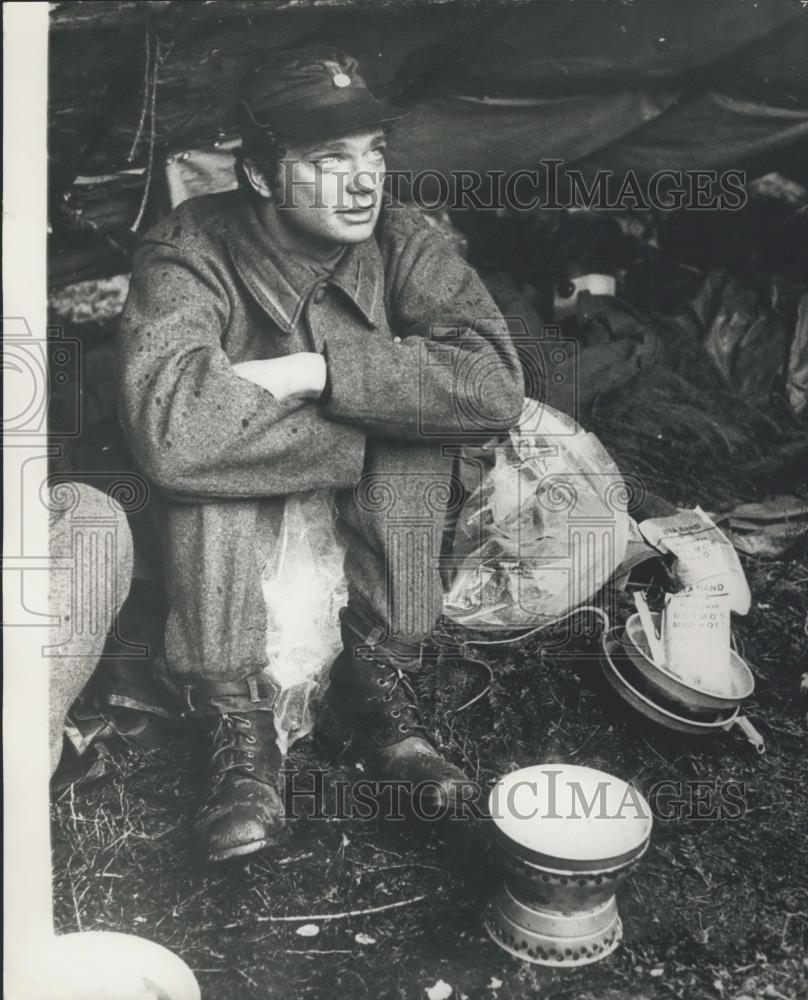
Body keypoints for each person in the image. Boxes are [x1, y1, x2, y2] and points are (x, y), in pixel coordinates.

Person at [116, 46, 524, 864]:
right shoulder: (187, 249)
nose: (364, 180)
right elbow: (172, 434)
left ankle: (379, 693)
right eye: (330, 159)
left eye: (373, 152)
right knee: (214, 467)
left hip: (364, 538)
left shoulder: (405, 240)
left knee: (415, 420)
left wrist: (318, 373)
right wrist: (369, 410)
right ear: (262, 176)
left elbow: (494, 387)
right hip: (231, 561)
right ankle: (237, 726)